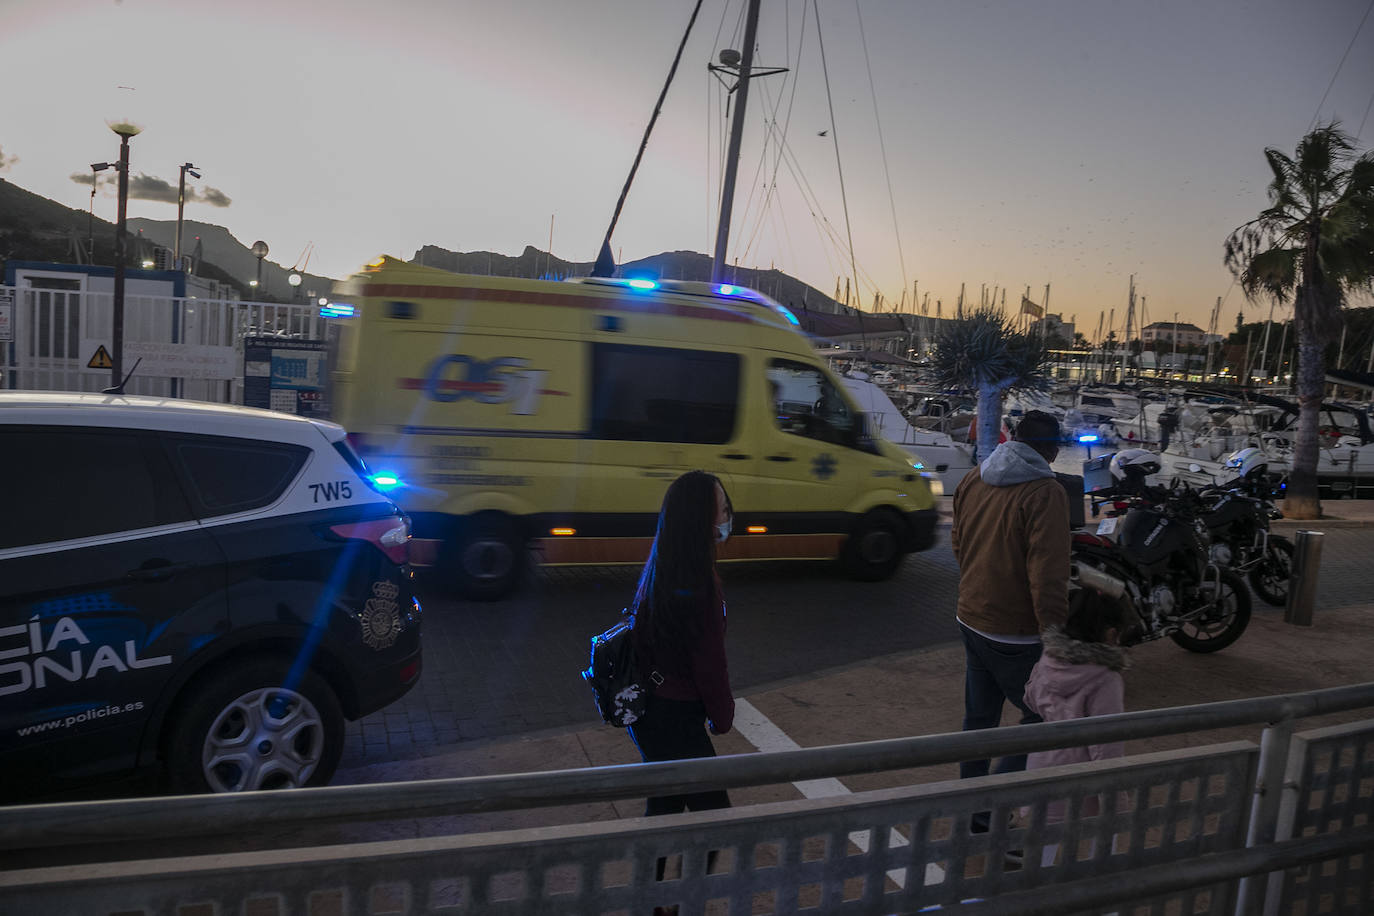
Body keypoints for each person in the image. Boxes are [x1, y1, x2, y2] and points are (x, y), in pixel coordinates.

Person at [950, 409, 1070, 786]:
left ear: (1015, 438)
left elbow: (958, 541)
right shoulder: (1044, 492)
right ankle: (996, 805)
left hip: (970, 616)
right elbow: (1047, 574)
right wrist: (1054, 636)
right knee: (1042, 719)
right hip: (1013, 632)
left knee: (979, 721)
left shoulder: (975, 476)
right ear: (1050, 451)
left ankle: (972, 807)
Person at [627, 469, 735, 817]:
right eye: (722, 508)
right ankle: (676, 872)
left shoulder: (662, 565)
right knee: (714, 816)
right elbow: (709, 663)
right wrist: (722, 716)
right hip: (676, 717)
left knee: (665, 808)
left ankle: (651, 873)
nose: (728, 516)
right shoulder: (699, 582)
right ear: (699, 519)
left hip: (651, 712)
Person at [1023, 588, 1129, 866]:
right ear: (1108, 633)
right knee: (1104, 849)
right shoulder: (1106, 679)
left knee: (1039, 859)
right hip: (1083, 781)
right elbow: (1106, 746)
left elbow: (1030, 698)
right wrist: (1115, 801)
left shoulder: (1049, 659)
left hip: (1042, 769)